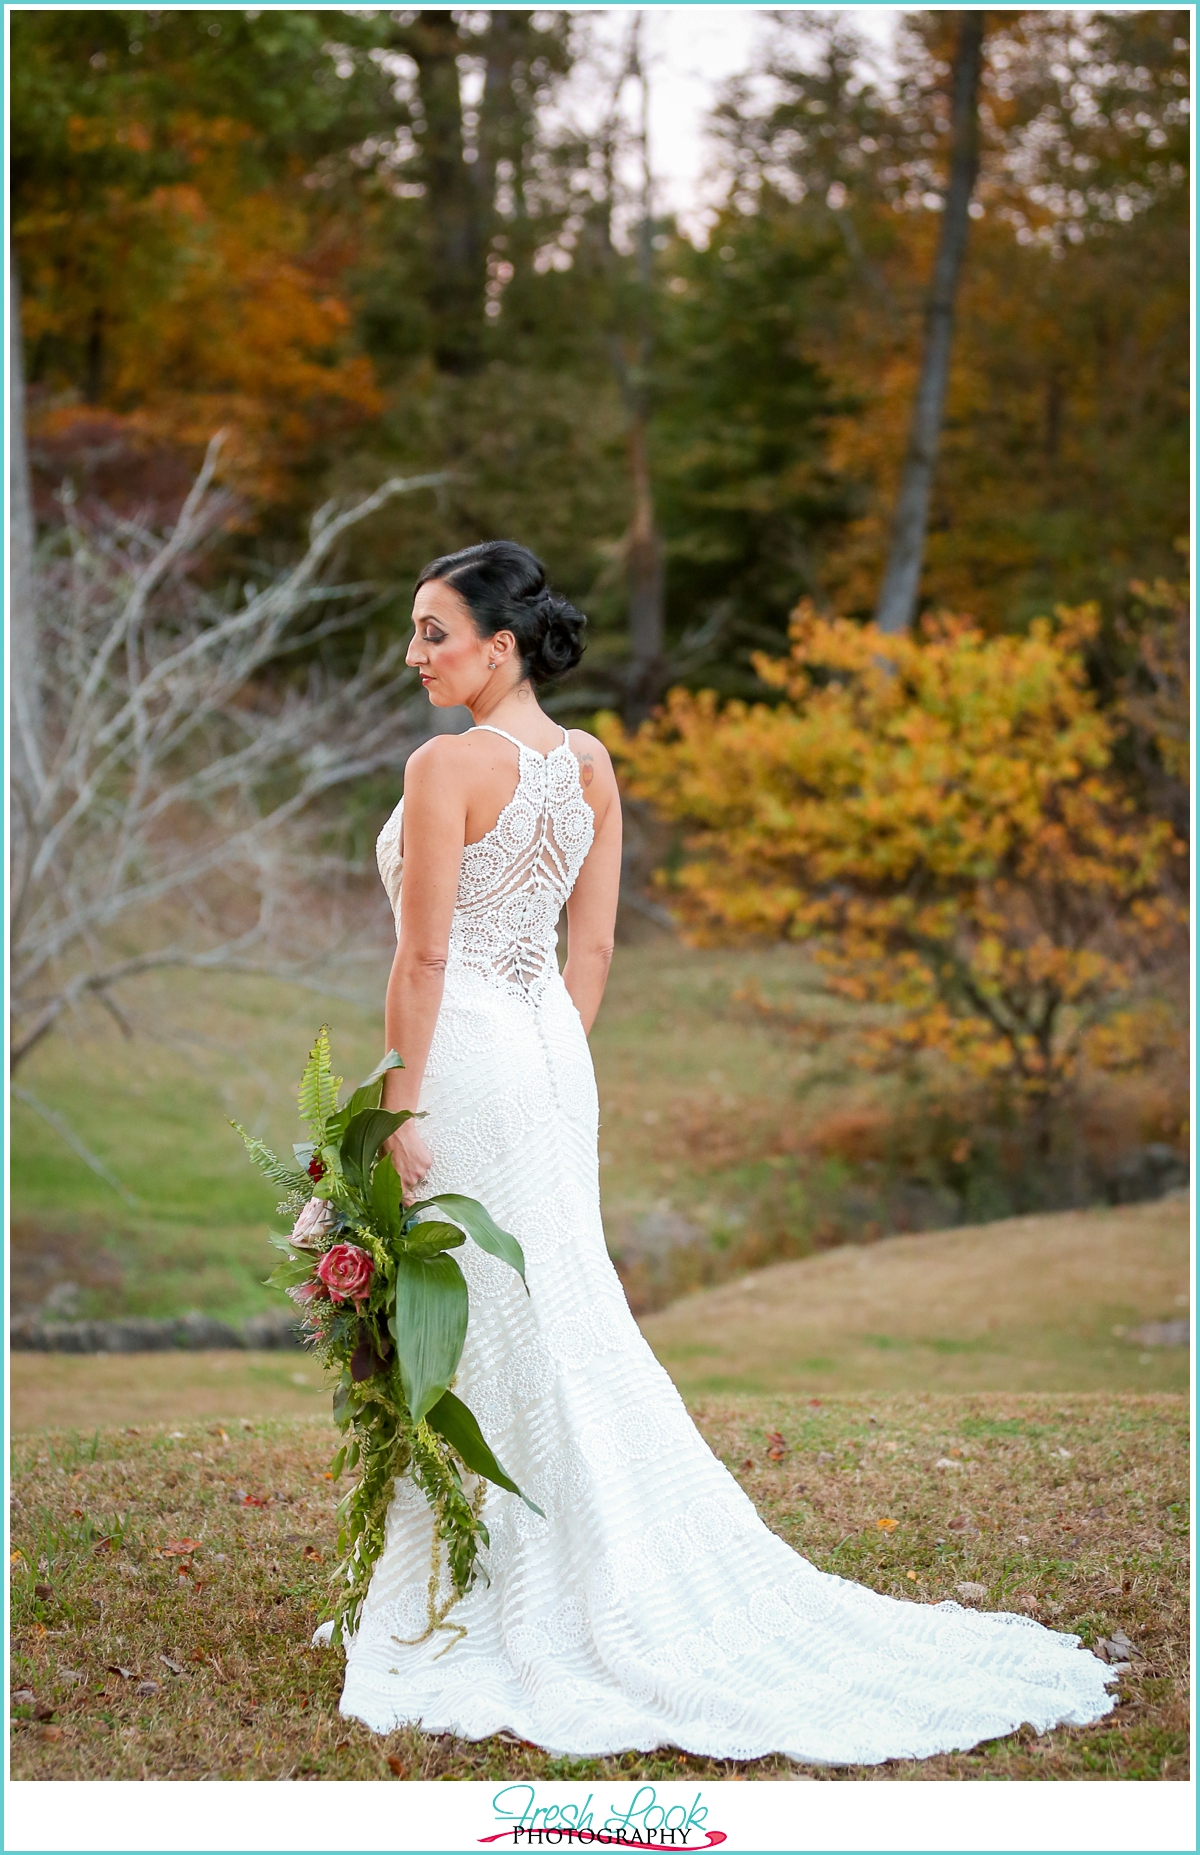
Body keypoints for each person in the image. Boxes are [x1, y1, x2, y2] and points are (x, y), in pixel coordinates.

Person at [319, 538, 1116, 1765]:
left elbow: (421, 961)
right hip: (545, 1055)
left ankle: (496, 1593)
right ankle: (509, 1570)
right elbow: (589, 957)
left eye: (434, 631)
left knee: (490, 1319)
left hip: (464, 1060)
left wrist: (402, 1105)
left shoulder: (444, 769)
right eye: (415, 631)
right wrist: (545, 1067)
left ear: (502, 645)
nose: (415, 654)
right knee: (558, 1312)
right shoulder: (589, 764)